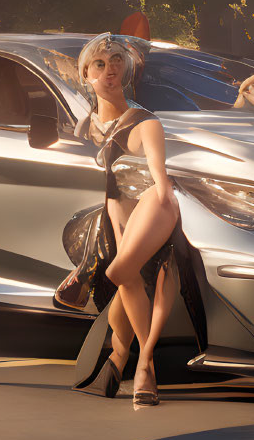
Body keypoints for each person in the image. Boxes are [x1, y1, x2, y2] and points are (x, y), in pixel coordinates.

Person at [72, 32, 183, 408]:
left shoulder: (142, 121)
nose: (110, 69)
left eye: (117, 61)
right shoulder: (82, 129)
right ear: (85, 75)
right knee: (125, 277)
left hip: (156, 206)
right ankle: (118, 360)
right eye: (100, 64)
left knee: (120, 274)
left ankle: (146, 363)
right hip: (115, 222)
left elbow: (160, 177)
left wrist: (165, 203)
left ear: (127, 68)